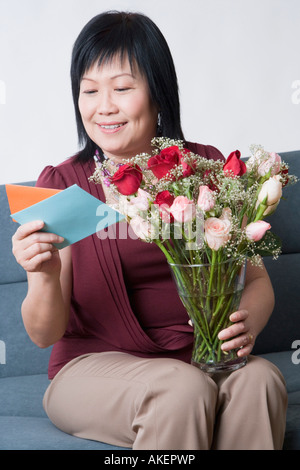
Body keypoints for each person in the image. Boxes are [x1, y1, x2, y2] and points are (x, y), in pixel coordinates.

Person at [12, 11, 287, 450]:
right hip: (91, 371)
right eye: (89, 91)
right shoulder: (61, 185)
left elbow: (255, 281)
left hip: (198, 358)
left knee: (261, 379)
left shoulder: (206, 167)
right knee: (180, 388)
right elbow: (44, 334)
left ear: (158, 94)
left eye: (122, 88)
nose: (104, 106)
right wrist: (42, 274)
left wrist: (245, 326)